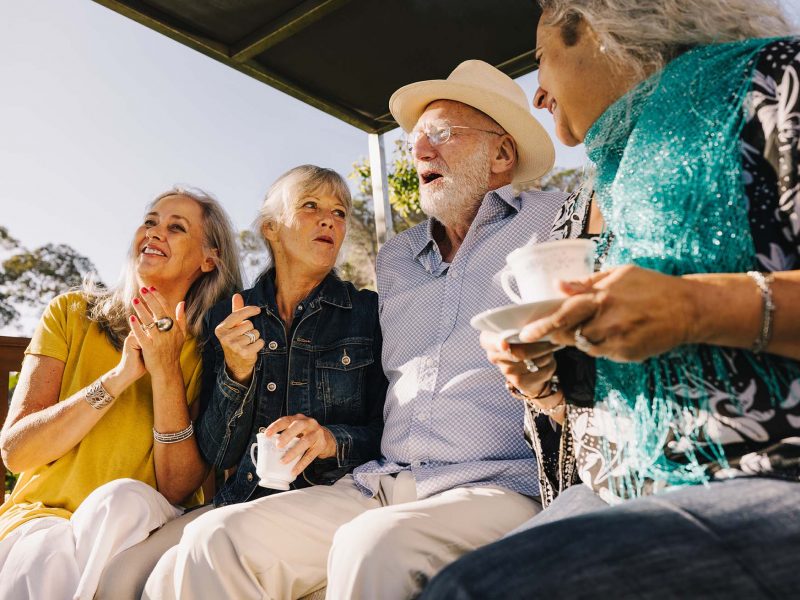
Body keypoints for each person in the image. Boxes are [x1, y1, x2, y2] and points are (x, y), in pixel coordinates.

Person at [143, 60, 567, 600]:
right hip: (383, 484)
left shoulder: (555, 220)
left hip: (493, 484)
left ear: (502, 154)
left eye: (440, 135)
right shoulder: (397, 259)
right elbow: (222, 448)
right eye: (415, 140)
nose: (419, 152)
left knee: (371, 546)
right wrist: (236, 372)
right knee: (213, 538)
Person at [422, 1, 800, 597]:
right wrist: (548, 387)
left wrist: (694, 307)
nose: (539, 95)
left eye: (542, 60)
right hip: (623, 496)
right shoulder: (609, 186)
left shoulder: (777, 81)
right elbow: (605, 416)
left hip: (771, 475)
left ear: (595, 29)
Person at [110, 165, 387, 599]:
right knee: (121, 578)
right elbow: (218, 451)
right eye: (310, 205)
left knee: (171, 581)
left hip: (331, 499)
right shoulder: (229, 315)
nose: (330, 219)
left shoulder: (368, 313)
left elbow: (388, 434)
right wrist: (237, 373)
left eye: (340, 211)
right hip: (241, 498)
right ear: (271, 228)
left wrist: (329, 440)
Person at [0, 188, 241, 599]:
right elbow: (17, 452)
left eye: (175, 227)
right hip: (40, 518)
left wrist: (165, 368)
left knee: (120, 501)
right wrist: (119, 377)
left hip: (144, 524)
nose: (154, 232)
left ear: (209, 259)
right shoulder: (71, 313)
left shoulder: (210, 351)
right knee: (48, 552)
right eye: (150, 221)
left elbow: (176, 487)